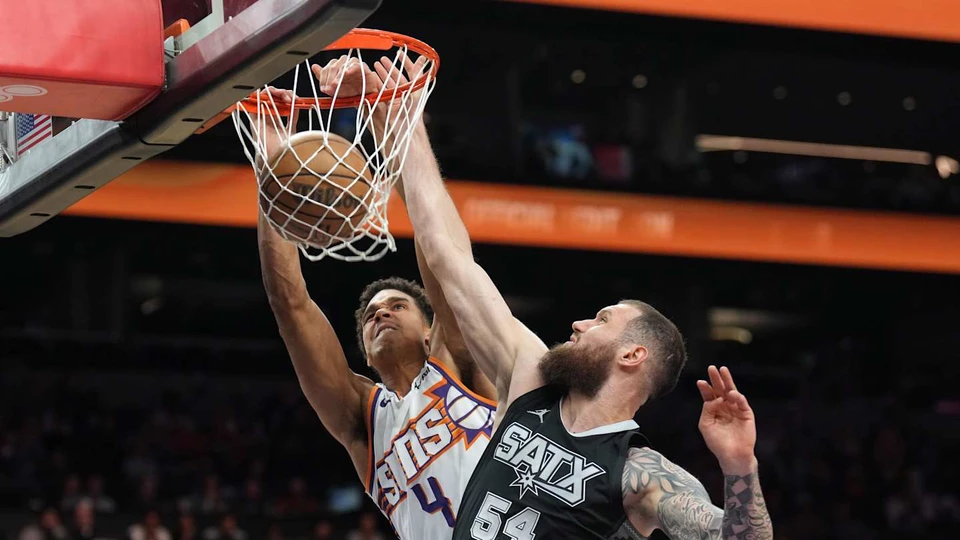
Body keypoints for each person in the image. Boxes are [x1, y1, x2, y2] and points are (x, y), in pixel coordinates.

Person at [326, 55, 775, 539]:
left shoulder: (639, 474)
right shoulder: (529, 379)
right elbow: (447, 256)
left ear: (632, 354)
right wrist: (398, 119)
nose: (579, 324)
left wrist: (739, 465)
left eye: (602, 320)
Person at [254, 79, 497, 540]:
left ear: (430, 332)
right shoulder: (363, 419)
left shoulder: (461, 365)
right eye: (370, 315)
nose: (380, 314)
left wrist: (399, 134)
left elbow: (442, 253)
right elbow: (289, 303)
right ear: (365, 354)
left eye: (397, 306)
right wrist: (275, 173)